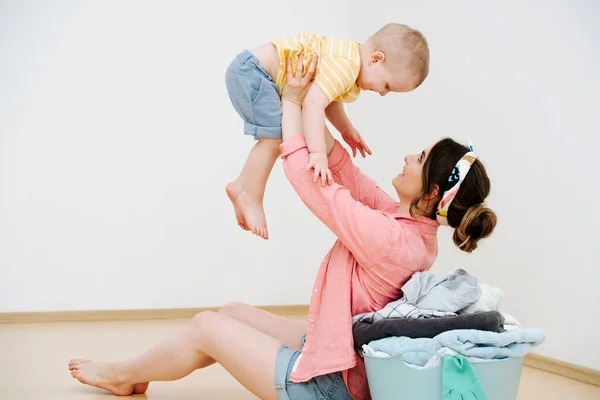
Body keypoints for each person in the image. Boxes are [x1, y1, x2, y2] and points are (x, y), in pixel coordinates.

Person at [69, 53, 496, 400]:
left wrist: (292, 104)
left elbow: (312, 184)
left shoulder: (390, 240)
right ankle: (139, 372)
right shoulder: (407, 226)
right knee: (231, 313)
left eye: (419, 159)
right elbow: (343, 171)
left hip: (327, 388)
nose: (408, 157)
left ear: (429, 194)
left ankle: (122, 375)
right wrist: (309, 97)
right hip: (337, 354)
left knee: (205, 326)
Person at [225, 23, 430, 239]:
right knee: (275, 137)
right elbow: (314, 104)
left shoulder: (348, 62)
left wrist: (345, 129)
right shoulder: (346, 66)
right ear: (376, 59)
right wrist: (318, 154)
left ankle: (242, 188)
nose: (382, 93)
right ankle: (250, 196)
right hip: (254, 73)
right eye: (387, 86)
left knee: (276, 134)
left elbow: (327, 98)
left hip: (254, 72)